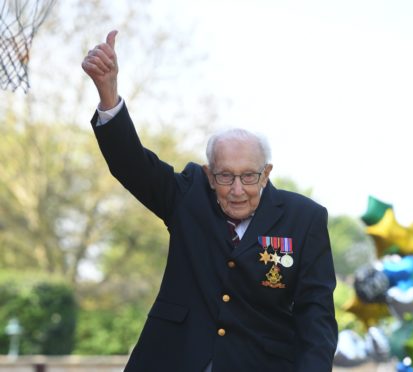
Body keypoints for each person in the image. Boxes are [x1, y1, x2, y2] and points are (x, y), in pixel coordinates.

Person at [82, 30, 338, 372]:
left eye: (249, 176)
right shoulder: (188, 197)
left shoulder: (304, 218)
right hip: (171, 359)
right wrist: (109, 94)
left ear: (266, 174)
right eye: (224, 176)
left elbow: (316, 316)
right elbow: (132, 165)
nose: (236, 189)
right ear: (208, 173)